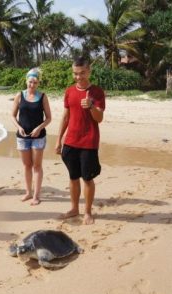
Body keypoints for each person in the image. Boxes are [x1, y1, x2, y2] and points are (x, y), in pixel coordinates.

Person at [55, 57, 105, 225]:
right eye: (75, 74)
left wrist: (91, 106)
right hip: (70, 141)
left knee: (87, 178)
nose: (79, 77)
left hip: (89, 142)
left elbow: (99, 119)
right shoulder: (69, 91)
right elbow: (66, 117)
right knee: (73, 177)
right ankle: (74, 208)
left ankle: (88, 212)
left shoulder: (97, 92)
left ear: (89, 71)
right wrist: (58, 140)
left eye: (82, 73)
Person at [11, 68, 52, 205]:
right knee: (27, 165)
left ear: (38, 83)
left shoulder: (43, 97)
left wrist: (39, 128)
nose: (32, 85)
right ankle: (28, 192)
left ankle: (36, 195)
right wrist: (19, 127)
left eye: (35, 82)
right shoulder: (19, 95)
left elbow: (49, 118)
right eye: (30, 82)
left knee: (37, 166)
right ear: (26, 81)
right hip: (22, 137)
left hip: (38, 137)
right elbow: (12, 116)